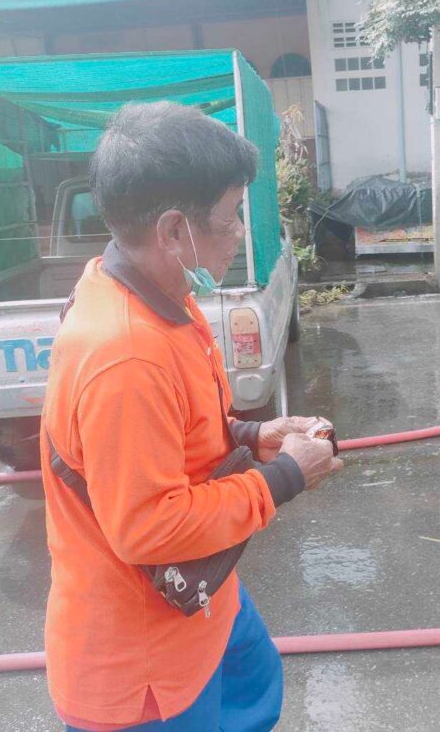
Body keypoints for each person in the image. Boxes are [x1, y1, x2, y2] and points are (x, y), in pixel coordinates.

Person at [40, 101, 344, 731]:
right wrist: (286, 477)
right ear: (174, 231)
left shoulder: (156, 292)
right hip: (146, 668)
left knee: (256, 683)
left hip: (200, 598)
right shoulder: (126, 355)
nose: (239, 232)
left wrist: (254, 435)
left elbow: (176, 427)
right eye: (230, 216)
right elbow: (149, 528)